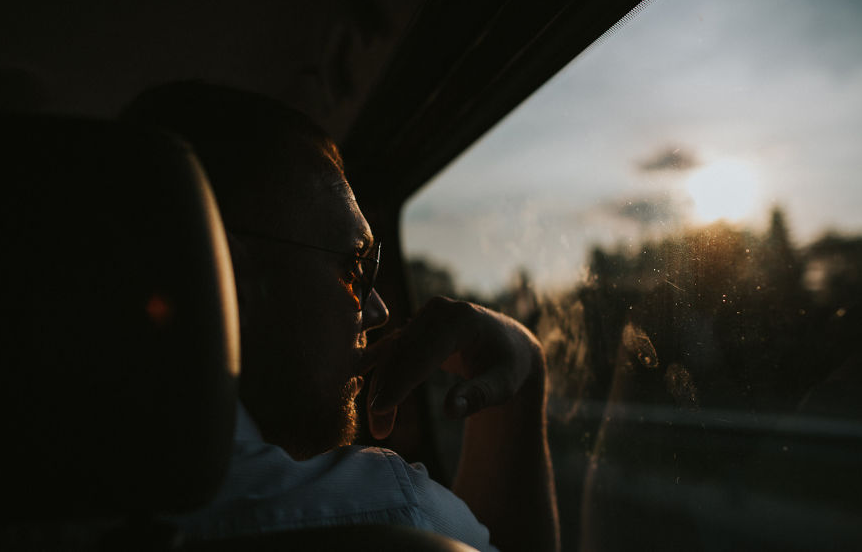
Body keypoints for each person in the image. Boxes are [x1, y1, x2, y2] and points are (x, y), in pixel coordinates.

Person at [122, 81, 559, 552]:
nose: (379, 311)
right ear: (232, 281)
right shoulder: (392, 516)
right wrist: (526, 366)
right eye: (353, 265)